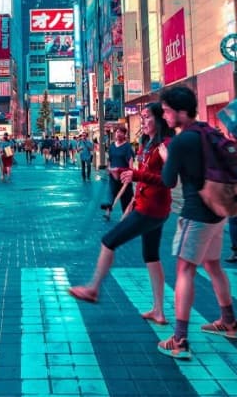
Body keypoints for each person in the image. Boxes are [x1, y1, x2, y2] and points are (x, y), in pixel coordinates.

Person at [157, 86, 237, 360]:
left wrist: (166, 158)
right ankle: (229, 322)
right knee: (213, 265)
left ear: (181, 111)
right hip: (218, 212)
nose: (164, 116)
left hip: (196, 214)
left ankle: (180, 340)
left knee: (185, 271)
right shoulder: (207, 131)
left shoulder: (181, 141)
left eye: (167, 111)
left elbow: (168, 181)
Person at [69, 102, 173, 325]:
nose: (143, 121)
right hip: (150, 206)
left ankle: (93, 288)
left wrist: (136, 176)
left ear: (160, 119)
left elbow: (168, 180)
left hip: (151, 209)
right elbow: (144, 174)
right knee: (151, 256)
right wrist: (130, 182)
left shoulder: (165, 145)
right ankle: (158, 310)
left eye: (147, 117)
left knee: (109, 241)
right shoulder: (147, 144)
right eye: (142, 117)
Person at [104, 125, 134, 212]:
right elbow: (110, 159)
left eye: (121, 132)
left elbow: (130, 160)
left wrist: (130, 173)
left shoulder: (127, 146)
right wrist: (109, 169)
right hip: (113, 176)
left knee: (126, 200)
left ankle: (127, 215)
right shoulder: (112, 146)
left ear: (124, 134)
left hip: (124, 176)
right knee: (111, 195)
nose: (118, 134)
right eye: (117, 132)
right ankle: (107, 212)